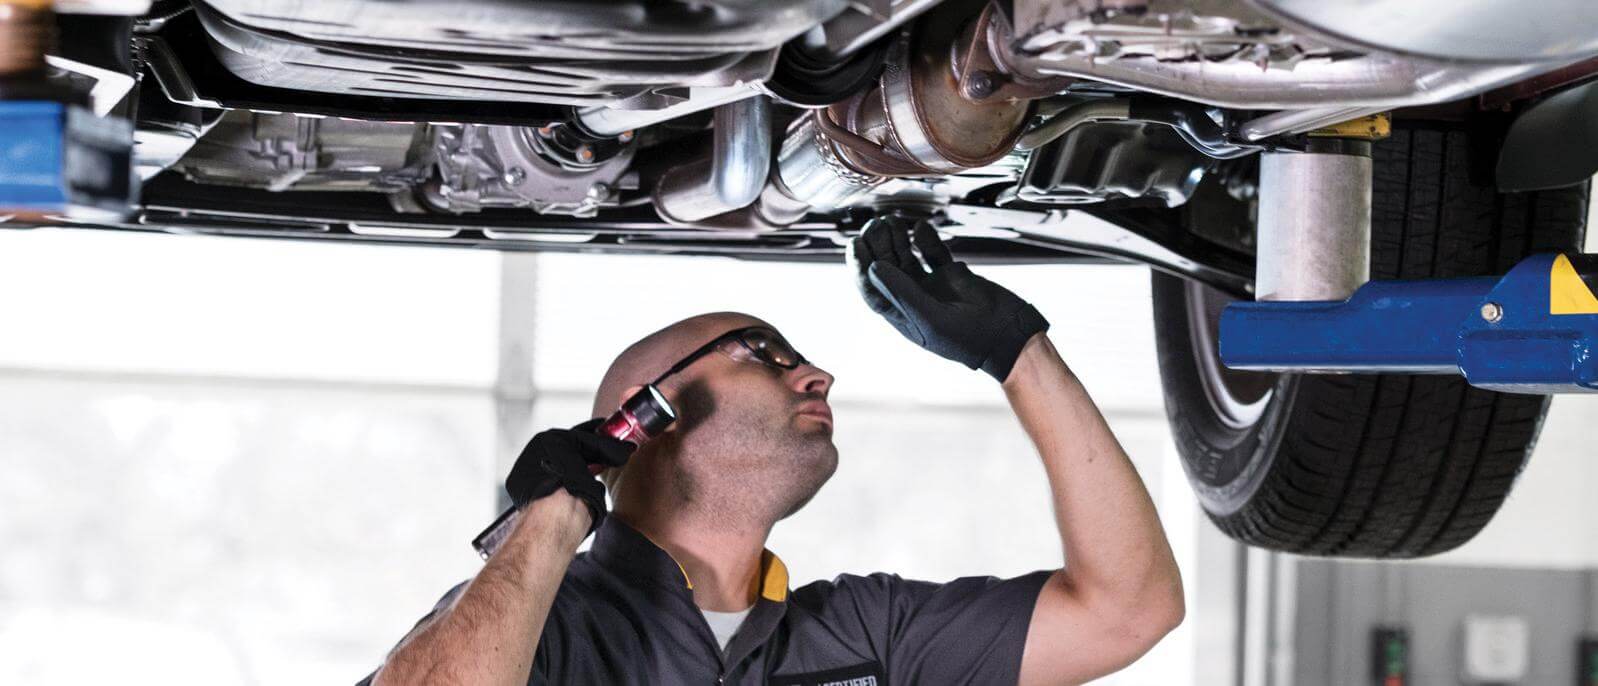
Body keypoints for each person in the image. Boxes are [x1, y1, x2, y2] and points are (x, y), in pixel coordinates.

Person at [364, 216, 1184, 685]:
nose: (817, 374)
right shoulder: (538, 624)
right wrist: (550, 520)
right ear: (647, 414)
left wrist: (1017, 353)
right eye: (763, 353)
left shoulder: (865, 634)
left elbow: (1129, 609)